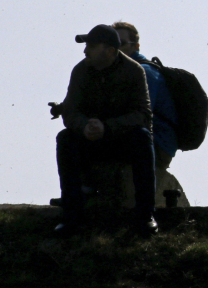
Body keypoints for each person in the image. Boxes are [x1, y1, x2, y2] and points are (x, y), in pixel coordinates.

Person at [54, 24, 157, 235]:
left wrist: (108, 127)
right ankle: (71, 217)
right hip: (90, 139)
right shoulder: (81, 70)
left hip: (120, 139)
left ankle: (145, 216)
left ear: (110, 51)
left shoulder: (134, 71)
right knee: (65, 139)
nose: (85, 51)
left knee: (142, 138)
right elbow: (70, 111)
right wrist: (84, 126)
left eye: (91, 46)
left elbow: (143, 114)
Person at [112, 21, 187, 207]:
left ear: (136, 46)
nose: (115, 50)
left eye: (120, 44)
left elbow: (140, 115)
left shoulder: (145, 72)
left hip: (157, 144)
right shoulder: (117, 72)